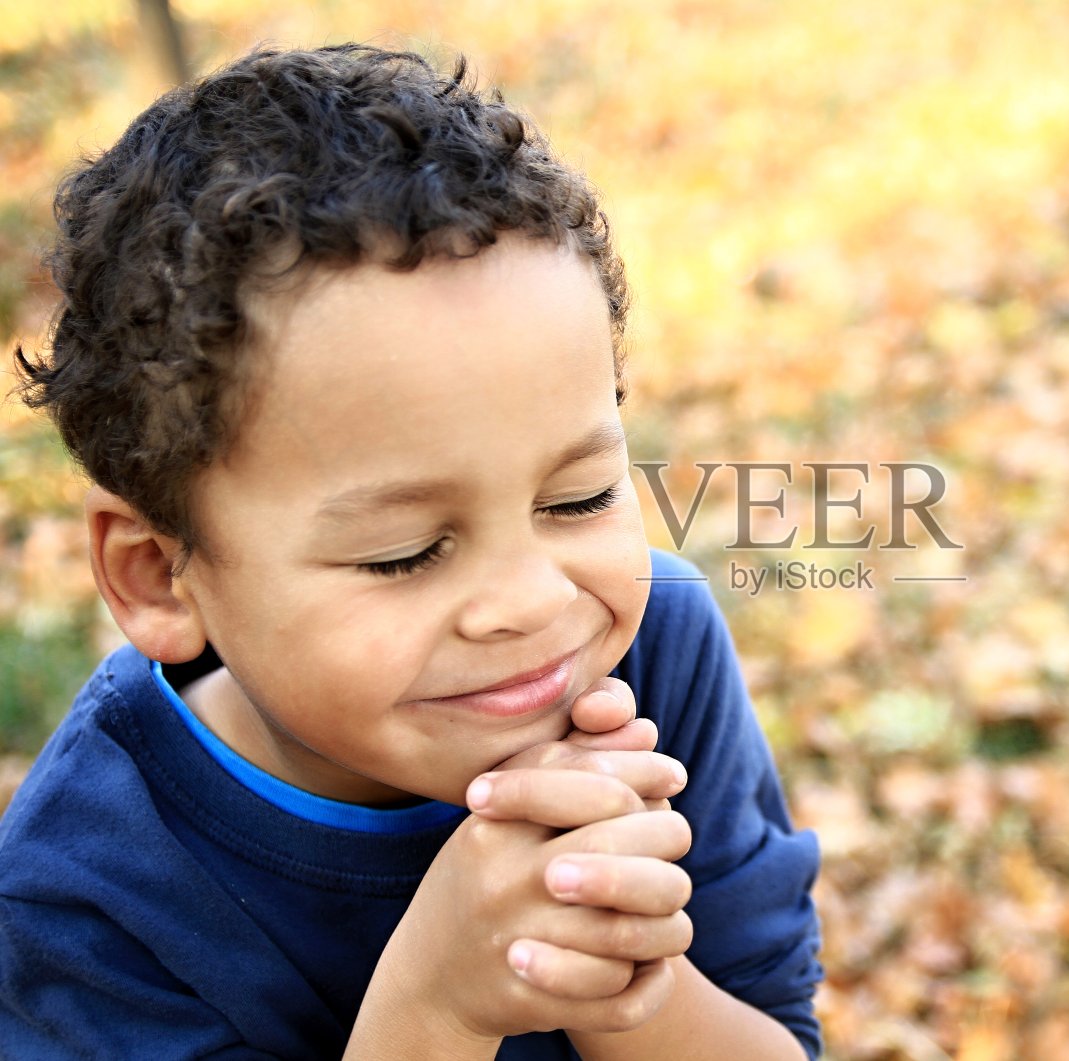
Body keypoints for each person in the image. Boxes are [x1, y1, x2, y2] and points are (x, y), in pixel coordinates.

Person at [0, 43, 822, 1059]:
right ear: (158, 574)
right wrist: (439, 1006)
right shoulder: (89, 897)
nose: (528, 600)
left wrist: (620, 974)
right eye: (403, 553)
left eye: (578, 496)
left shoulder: (657, 649)